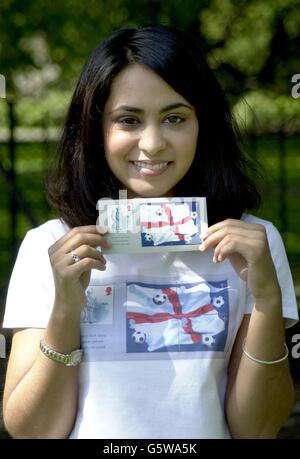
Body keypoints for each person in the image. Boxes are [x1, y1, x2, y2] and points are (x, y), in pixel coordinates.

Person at [2, 25, 298, 439]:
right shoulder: (50, 247)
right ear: (94, 129)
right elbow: (32, 431)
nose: (153, 143)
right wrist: (66, 309)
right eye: (128, 120)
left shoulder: (253, 246)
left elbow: (258, 428)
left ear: (203, 124)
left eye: (175, 118)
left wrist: (268, 299)